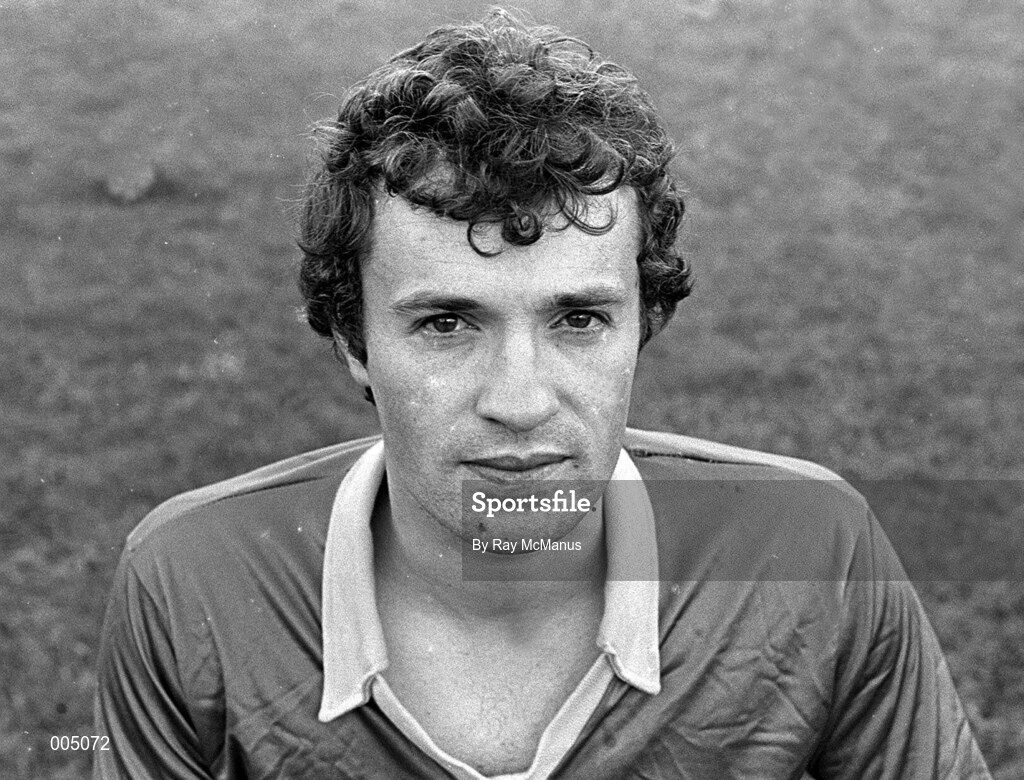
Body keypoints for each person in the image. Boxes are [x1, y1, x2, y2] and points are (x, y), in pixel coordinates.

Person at [94, 9, 990, 779]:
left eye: (579, 320)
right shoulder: (190, 582)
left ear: (644, 322)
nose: (519, 403)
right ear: (353, 341)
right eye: (447, 323)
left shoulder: (815, 552)